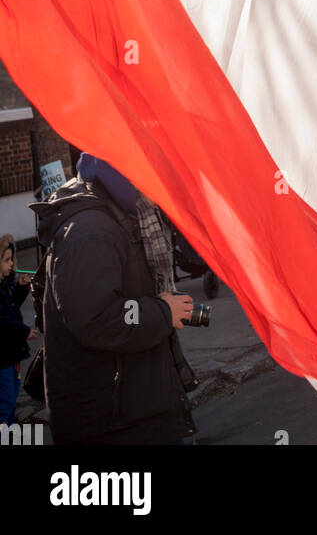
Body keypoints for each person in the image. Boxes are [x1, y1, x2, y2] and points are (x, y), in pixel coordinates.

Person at [31, 155, 197, 445]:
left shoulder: (130, 215)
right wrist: (161, 312)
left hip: (133, 410)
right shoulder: (92, 230)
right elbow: (96, 317)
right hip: (111, 423)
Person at [0, 235, 36, 424]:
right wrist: (23, 331)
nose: (12, 264)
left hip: (11, 354)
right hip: (3, 356)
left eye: (11, 259)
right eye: (6, 260)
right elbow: (3, 320)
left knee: (12, 393)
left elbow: (12, 309)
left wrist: (21, 289)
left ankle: (9, 427)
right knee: (5, 400)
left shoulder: (6, 284)